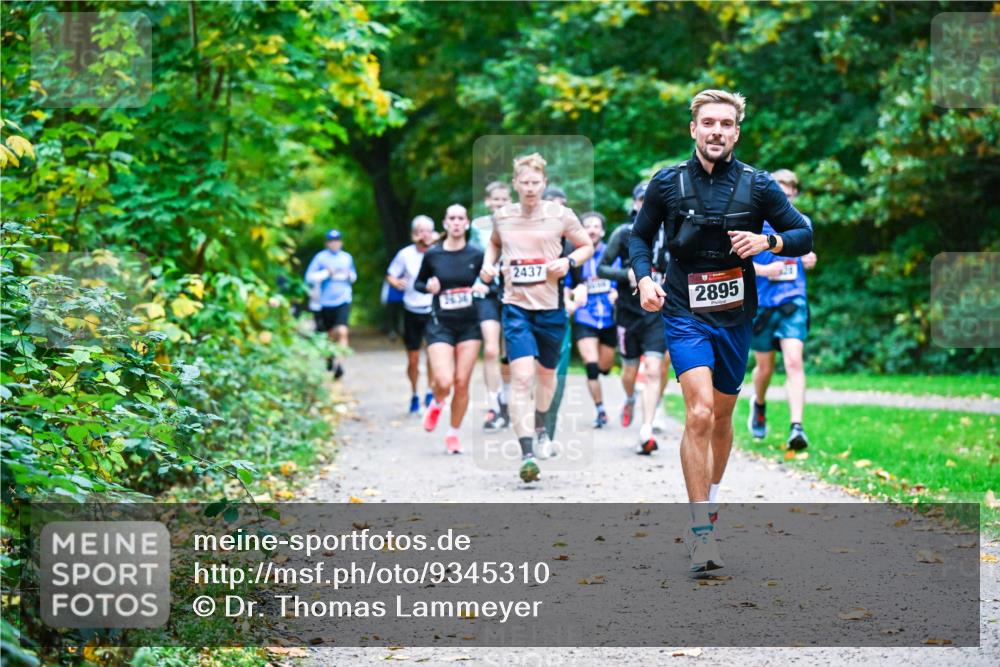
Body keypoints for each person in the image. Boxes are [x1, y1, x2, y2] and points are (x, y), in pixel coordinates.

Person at [630, 89, 812, 573]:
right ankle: (700, 532)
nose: (716, 131)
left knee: (722, 418)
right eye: (708, 122)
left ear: (736, 132)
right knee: (700, 412)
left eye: (726, 124)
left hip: (735, 315)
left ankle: (709, 502)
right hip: (683, 310)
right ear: (693, 129)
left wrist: (768, 241)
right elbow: (639, 236)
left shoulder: (759, 185)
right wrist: (645, 278)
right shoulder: (667, 182)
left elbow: (803, 234)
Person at [480, 153, 593, 483]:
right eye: (524, 182)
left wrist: (568, 263)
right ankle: (527, 453)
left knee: (546, 377)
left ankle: (541, 422)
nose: (530, 188)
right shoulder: (502, 217)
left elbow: (585, 246)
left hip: (551, 309)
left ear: (544, 183)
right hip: (515, 308)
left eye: (535, 182)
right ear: (515, 183)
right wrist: (488, 265)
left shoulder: (561, 215)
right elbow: (494, 244)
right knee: (521, 378)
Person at [598, 183, 670, 454]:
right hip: (628, 313)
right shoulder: (623, 233)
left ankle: (646, 429)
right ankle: (629, 397)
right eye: (642, 199)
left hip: (658, 312)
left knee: (653, 368)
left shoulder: (671, 232)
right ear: (635, 203)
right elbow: (602, 268)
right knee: (629, 370)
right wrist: (626, 275)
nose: (647, 203)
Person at [748, 169, 817, 450]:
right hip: (762, 303)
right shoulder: (753, 223)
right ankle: (759, 403)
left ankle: (796, 427)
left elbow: (805, 254)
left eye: (790, 195)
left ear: (795, 195)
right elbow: (735, 264)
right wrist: (764, 270)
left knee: (793, 361)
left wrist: (810, 260)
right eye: (781, 194)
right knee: (765, 367)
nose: (785, 199)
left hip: (793, 300)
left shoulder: (802, 222)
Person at [414, 204, 485, 454]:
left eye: (460, 218)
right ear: (445, 223)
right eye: (452, 218)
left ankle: (453, 434)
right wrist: (428, 286)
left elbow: (492, 283)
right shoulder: (433, 255)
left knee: (462, 382)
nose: (456, 222)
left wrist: (483, 287)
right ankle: (437, 402)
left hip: (469, 325)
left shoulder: (477, 254)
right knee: (444, 380)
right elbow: (418, 283)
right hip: (440, 324)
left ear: (467, 223)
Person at [565, 211, 618, 428]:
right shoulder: (575, 255)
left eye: (596, 226)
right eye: (588, 226)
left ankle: (603, 373)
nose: (592, 230)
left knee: (605, 366)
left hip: (609, 318)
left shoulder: (612, 252)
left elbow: (621, 279)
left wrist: (617, 293)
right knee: (592, 365)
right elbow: (566, 284)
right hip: (585, 316)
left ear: (602, 231)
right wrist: (570, 298)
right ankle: (601, 410)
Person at [470, 181, 512, 431]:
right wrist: (479, 282)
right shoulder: (478, 226)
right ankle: (493, 404)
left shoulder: (518, 222)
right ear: (488, 202)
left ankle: (506, 398)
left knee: (509, 352)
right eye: (496, 199)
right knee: (490, 349)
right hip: (487, 291)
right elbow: (473, 258)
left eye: (504, 199)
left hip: (512, 291)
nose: (500, 203)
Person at [386, 216, 437, 414]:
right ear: (414, 233)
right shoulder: (405, 254)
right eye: (420, 230)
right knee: (413, 358)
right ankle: (415, 393)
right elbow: (391, 275)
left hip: (432, 309)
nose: (424, 234)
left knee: (433, 354)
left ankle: (430, 392)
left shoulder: (437, 252)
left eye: (428, 230)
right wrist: (396, 282)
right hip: (411, 309)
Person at [304, 229, 357, 378]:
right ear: (327, 243)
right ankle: (329, 358)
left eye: (337, 240)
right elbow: (308, 278)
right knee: (328, 335)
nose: (334, 243)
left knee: (342, 331)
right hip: (324, 303)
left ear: (341, 242)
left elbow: (354, 276)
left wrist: (348, 275)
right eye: (331, 241)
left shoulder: (347, 258)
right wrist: (326, 273)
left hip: (343, 299)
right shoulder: (320, 258)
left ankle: (339, 365)